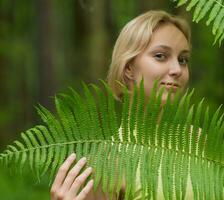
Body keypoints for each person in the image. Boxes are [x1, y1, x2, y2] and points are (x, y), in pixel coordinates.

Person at [50, 10, 191, 200]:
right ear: (128, 68)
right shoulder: (110, 160)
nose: (177, 70)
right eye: (160, 56)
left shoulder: (196, 140)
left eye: (183, 60)